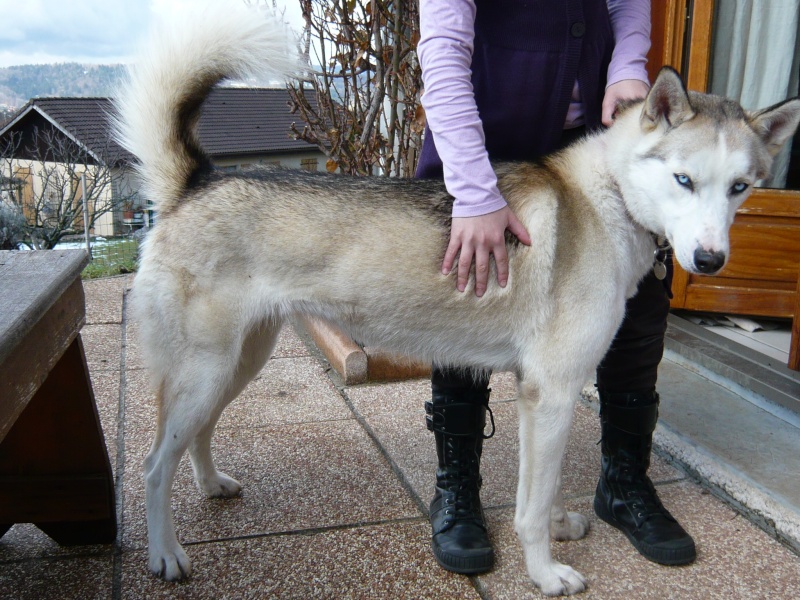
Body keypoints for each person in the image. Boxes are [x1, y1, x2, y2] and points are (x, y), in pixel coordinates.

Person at [416, 0, 696, 574]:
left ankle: (622, 480)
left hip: (591, 136)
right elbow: (442, 50)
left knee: (639, 304)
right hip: (482, 137)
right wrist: (473, 189)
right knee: (467, 288)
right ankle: (458, 487)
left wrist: (628, 65)